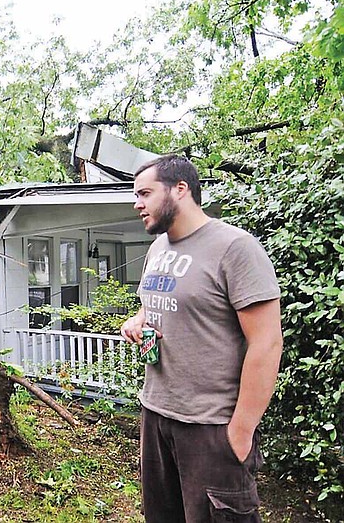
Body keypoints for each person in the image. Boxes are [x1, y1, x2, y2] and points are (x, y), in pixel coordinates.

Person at [120, 155, 283, 522]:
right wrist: (139, 318)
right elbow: (160, 302)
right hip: (156, 415)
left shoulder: (235, 248)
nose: (137, 204)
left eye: (145, 193)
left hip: (211, 426)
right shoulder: (158, 249)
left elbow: (267, 342)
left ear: (180, 189)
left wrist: (240, 432)